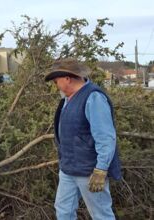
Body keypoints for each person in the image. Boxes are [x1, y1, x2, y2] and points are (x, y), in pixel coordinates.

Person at [45, 58, 121, 220]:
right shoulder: (68, 98)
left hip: (89, 170)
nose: (55, 85)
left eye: (56, 81)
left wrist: (101, 170)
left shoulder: (93, 98)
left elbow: (106, 137)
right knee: (63, 211)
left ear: (67, 79)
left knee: (101, 215)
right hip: (68, 168)